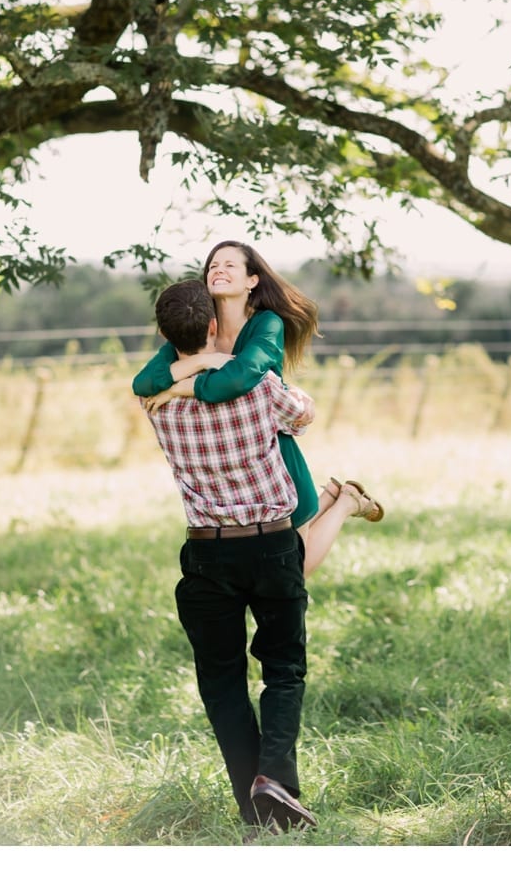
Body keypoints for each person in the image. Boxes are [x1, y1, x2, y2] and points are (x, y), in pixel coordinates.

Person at [141, 279, 323, 836]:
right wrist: (238, 361)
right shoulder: (258, 386)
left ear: (165, 338)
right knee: (283, 669)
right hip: (270, 543)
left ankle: (256, 810)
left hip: (207, 553)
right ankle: (274, 779)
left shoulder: (157, 406)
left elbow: (158, 379)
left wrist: (188, 375)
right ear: (216, 327)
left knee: (221, 683)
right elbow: (303, 414)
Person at [134, 240, 383, 577]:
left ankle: (345, 503)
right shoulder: (198, 326)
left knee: (295, 567)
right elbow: (144, 383)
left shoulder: (266, 324)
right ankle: (332, 496)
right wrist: (207, 358)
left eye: (229, 265)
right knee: (282, 557)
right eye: (213, 266)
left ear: (252, 280)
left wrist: (181, 385)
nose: (218, 270)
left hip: (272, 454)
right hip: (225, 459)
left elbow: (239, 378)